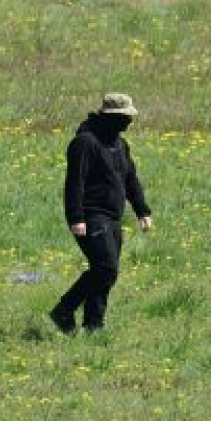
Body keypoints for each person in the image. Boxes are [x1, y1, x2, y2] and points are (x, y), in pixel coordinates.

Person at [49, 93, 154, 334]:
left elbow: (130, 179)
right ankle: (64, 309)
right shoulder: (85, 143)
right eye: (126, 117)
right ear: (112, 117)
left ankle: (93, 325)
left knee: (105, 272)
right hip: (91, 215)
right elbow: (75, 183)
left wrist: (142, 210)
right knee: (106, 268)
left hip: (113, 216)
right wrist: (76, 218)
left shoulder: (120, 144)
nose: (130, 122)